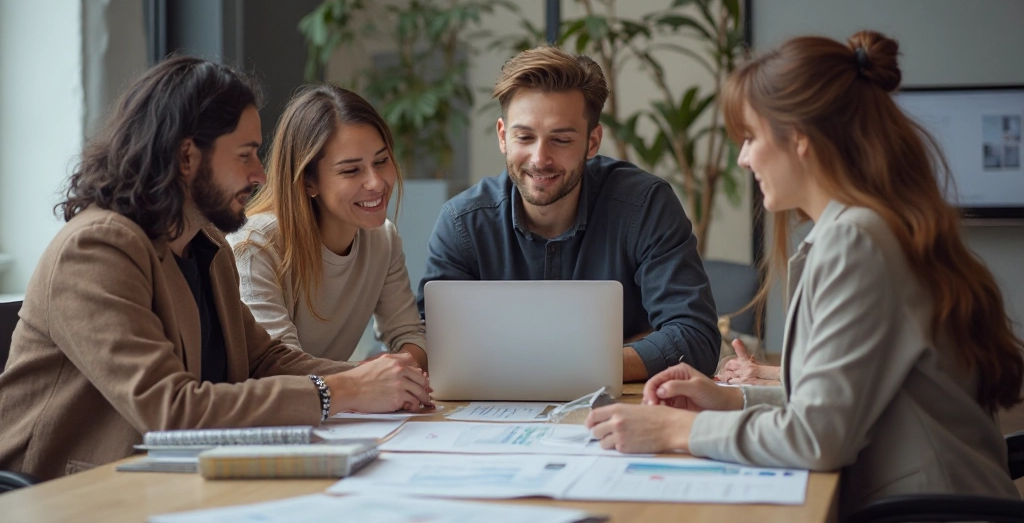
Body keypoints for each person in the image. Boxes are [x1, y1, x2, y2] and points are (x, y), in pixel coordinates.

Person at [586, 31, 1024, 515]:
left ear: (799, 139)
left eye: (750, 137)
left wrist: (675, 431)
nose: (743, 158)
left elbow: (820, 438)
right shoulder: (871, 228)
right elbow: (838, 405)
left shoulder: (856, 241)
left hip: (927, 511)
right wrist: (731, 401)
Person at [0, 57, 431, 482]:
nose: (261, 175)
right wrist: (345, 391)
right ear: (187, 157)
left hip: (164, 481)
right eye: (245, 155)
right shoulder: (95, 249)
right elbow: (172, 409)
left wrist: (381, 380)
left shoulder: (204, 245)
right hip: (64, 493)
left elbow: (263, 359)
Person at [418, 46, 720, 381]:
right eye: (525, 137)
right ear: (503, 136)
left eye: (560, 140)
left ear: (592, 142)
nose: (539, 158)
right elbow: (435, 346)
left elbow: (695, 341)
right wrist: (627, 350)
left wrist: (545, 365)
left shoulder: (644, 206)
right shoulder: (463, 223)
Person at [227, 84, 427, 369]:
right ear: (308, 181)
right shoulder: (255, 244)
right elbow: (280, 368)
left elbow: (410, 336)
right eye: (351, 170)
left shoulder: (382, 239)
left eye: (381, 161)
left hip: (330, 410)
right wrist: (373, 377)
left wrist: (393, 370)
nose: (376, 182)